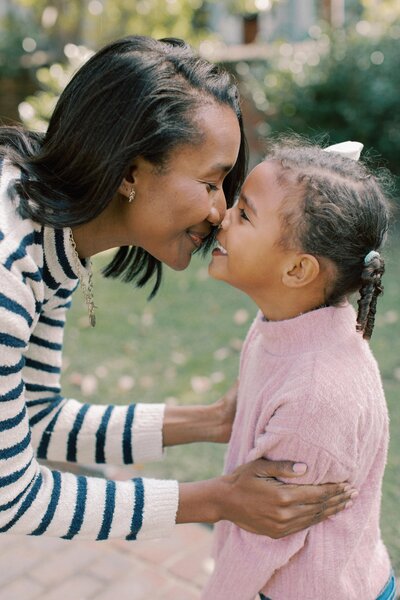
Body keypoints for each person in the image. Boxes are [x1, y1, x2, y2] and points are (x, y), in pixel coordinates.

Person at [0, 36, 353, 543]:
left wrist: (214, 421)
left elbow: (39, 421)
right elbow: (12, 497)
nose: (220, 214)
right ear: (130, 171)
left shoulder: (52, 232)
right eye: (212, 184)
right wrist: (218, 498)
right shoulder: (10, 265)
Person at [203, 138, 395, 599]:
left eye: (244, 214)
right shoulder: (281, 326)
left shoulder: (315, 393)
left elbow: (265, 536)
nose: (221, 216)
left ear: (297, 270)